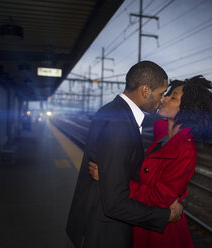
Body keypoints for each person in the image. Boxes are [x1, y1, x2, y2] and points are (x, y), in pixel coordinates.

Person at [89, 75, 212, 247]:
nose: (165, 98)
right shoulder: (161, 136)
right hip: (146, 222)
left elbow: (159, 198)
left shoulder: (185, 152)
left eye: (173, 97)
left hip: (161, 233)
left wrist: (110, 178)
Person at [66, 61, 183, 248]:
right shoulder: (119, 125)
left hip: (98, 224)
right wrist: (165, 216)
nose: (163, 99)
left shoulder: (113, 111)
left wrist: (111, 177)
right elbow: (114, 204)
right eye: (161, 93)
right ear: (145, 91)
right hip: (105, 233)